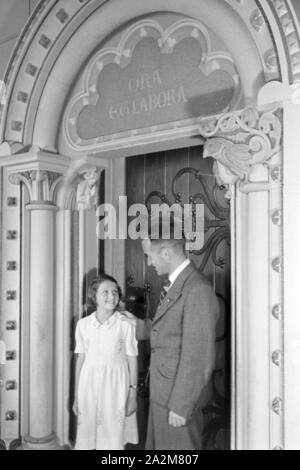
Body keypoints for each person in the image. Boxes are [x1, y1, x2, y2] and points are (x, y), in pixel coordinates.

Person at [141, 221, 219, 450]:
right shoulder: (180, 285)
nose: (149, 262)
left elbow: (198, 355)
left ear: (165, 253)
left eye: (150, 256)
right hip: (164, 394)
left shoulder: (197, 290)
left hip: (177, 402)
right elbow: (165, 331)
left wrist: (181, 405)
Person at [73, 274, 139, 450]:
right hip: (89, 385)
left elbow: (132, 359)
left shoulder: (125, 323)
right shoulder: (83, 325)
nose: (112, 296)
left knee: (113, 438)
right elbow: (80, 359)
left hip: (116, 385)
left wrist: (133, 394)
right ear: (94, 296)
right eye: (105, 292)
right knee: (88, 434)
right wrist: (76, 396)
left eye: (115, 292)